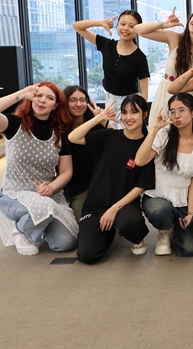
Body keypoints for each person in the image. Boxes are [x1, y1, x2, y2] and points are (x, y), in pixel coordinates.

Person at [0, 83, 77, 256]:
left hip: (47, 195)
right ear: (31, 99)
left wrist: (51, 188)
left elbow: (66, 172)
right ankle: (21, 230)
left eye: (49, 98)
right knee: (44, 206)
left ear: (55, 105)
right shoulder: (14, 124)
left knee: (65, 242)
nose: (42, 100)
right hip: (14, 194)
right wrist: (23, 93)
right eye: (39, 96)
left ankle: (38, 224)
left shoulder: (59, 132)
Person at [68, 95, 155, 264]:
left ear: (145, 114)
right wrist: (99, 118)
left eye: (134, 112)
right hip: (95, 205)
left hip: (125, 205)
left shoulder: (146, 147)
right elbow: (73, 137)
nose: (128, 117)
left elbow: (141, 186)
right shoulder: (107, 136)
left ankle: (136, 237)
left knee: (129, 222)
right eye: (124, 112)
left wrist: (113, 210)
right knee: (87, 255)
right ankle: (108, 230)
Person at [134, 93, 193, 256]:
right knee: (160, 210)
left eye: (181, 110)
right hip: (157, 197)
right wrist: (154, 128)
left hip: (182, 201)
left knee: (191, 248)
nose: (176, 115)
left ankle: (175, 225)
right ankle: (165, 231)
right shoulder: (164, 135)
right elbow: (139, 161)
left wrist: (190, 213)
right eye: (172, 111)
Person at [135, 7, 193, 123]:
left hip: (192, 96)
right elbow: (138, 29)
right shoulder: (175, 38)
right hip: (167, 91)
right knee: (162, 130)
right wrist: (164, 24)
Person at [73, 10, 149, 126]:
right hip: (109, 100)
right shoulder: (107, 45)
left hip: (130, 103)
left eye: (132, 26)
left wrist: (138, 111)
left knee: (127, 134)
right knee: (111, 133)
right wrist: (100, 23)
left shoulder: (140, 57)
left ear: (138, 29)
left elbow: (144, 93)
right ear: (117, 25)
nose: (126, 28)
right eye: (122, 24)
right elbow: (77, 26)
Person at [63, 85, 107, 223]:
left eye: (82, 100)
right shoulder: (60, 129)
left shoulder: (96, 124)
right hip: (78, 187)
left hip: (101, 182)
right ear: (65, 102)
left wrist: (103, 121)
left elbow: (118, 142)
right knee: (85, 223)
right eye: (73, 100)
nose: (79, 104)